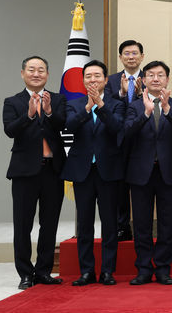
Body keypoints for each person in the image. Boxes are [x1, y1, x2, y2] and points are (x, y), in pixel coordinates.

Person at [3, 56, 66, 289]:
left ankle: (44, 271)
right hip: (24, 173)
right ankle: (25, 274)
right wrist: (28, 115)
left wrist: (48, 111)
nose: (36, 73)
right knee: (23, 225)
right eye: (31, 69)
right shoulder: (12, 102)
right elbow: (10, 130)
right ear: (23, 74)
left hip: (52, 170)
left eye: (41, 70)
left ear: (47, 75)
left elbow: (62, 124)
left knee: (49, 224)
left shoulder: (58, 99)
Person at [125, 61, 172, 285]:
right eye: (150, 75)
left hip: (167, 172)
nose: (155, 78)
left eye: (160, 75)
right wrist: (145, 113)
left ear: (167, 80)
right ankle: (143, 268)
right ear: (143, 80)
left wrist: (168, 110)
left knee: (166, 223)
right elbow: (126, 133)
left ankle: (163, 268)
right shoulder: (134, 106)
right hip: (140, 173)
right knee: (141, 223)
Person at [62, 60, 126, 286]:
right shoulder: (75, 103)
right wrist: (88, 107)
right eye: (88, 76)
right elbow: (68, 126)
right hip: (83, 172)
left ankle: (108, 271)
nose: (92, 80)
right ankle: (87, 271)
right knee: (85, 224)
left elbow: (118, 127)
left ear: (106, 80)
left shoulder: (116, 104)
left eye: (97, 76)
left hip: (108, 171)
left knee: (109, 223)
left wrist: (101, 105)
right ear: (82, 80)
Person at [105, 40, 145, 242]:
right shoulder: (110, 81)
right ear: (120, 58)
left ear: (142, 57)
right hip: (117, 141)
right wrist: (121, 93)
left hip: (142, 142)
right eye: (126, 54)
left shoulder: (151, 79)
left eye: (135, 53)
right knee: (119, 187)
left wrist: (139, 94)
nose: (131, 57)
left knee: (141, 187)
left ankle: (141, 228)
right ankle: (122, 226)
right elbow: (108, 107)